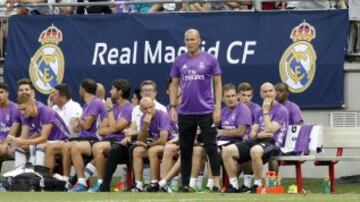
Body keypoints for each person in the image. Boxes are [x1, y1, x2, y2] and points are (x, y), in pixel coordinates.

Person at [169, 28, 222, 192]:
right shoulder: (179, 61)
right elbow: (174, 84)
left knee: (211, 148)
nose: (190, 42)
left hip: (206, 111)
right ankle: (185, 185)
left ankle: (216, 184)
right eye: (187, 39)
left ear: (199, 40)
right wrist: (172, 106)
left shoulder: (210, 59)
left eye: (193, 39)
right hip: (185, 112)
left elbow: (218, 84)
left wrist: (218, 108)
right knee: (185, 150)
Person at [221, 82, 288, 193]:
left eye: (271, 91)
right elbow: (252, 133)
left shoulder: (281, 110)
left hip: (273, 144)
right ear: (261, 94)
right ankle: (233, 185)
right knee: (227, 151)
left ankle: (257, 185)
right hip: (258, 141)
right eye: (265, 92)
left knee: (255, 150)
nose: (268, 94)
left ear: (275, 93)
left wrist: (266, 111)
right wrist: (258, 135)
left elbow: (271, 129)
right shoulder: (259, 111)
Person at [89, 79, 133, 192]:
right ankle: (101, 182)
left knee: (97, 147)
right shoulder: (114, 107)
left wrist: (109, 110)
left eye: (113, 89)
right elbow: (101, 130)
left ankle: (103, 183)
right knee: (97, 148)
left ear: (120, 92)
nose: (110, 91)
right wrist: (113, 128)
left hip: (121, 144)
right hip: (109, 142)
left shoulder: (128, 108)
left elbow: (114, 128)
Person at [8, 93, 69, 172]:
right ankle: (20, 174)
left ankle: (38, 174)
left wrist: (23, 141)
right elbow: (24, 137)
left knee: (39, 146)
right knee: (20, 147)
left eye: (24, 109)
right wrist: (15, 143)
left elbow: (44, 138)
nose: (22, 112)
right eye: (20, 110)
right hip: (49, 142)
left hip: (64, 141)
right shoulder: (26, 114)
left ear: (32, 104)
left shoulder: (46, 111)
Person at [68, 79, 109, 192]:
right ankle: (67, 181)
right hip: (86, 138)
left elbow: (86, 125)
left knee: (74, 147)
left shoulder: (96, 102)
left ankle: (81, 183)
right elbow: (79, 126)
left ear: (83, 89)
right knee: (66, 146)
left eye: (80, 88)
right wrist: (77, 123)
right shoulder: (87, 104)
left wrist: (78, 120)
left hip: (95, 138)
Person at [131, 97, 174, 192]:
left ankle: (154, 182)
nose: (149, 110)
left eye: (150, 107)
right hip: (154, 144)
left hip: (169, 144)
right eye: (145, 108)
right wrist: (146, 125)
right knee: (137, 151)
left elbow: (163, 139)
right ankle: (138, 185)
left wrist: (148, 145)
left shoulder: (163, 115)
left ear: (154, 106)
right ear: (141, 110)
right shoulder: (143, 117)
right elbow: (141, 139)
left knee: (152, 150)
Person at [0, 82, 17, 159]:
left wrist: (4, 143)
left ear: (7, 93)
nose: (0, 95)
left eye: (1, 92)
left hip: (11, 142)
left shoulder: (15, 108)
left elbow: (13, 132)